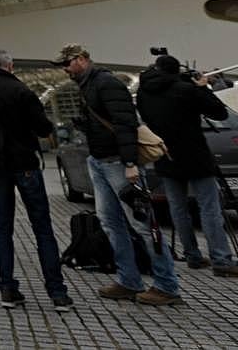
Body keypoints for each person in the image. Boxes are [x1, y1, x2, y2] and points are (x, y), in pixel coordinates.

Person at [54, 43, 181, 306]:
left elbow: (126, 123)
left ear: (80, 59)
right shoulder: (87, 85)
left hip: (118, 164)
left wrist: (130, 163)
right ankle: (128, 280)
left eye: (67, 64)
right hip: (99, 161)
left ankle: (167, 286)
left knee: (143, 225)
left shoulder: (107, 83)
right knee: (111, 223)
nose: (65, 70)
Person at [0, 49, 72, 312]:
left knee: (3, 228)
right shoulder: (21, 91)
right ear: (11, 66)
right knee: (42, 229)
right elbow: (44, 128)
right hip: (26, 166)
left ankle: (7, 288)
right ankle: (57, 293)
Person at [136, 53, 238, 279]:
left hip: (165, 156)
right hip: (195, 155)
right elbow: (219, 113)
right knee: (210, 208)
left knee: (178, 209)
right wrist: (203, 87)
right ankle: (221, 260)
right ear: (176, 71)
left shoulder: (144, 93)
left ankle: (192, 256)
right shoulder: (186, 90)